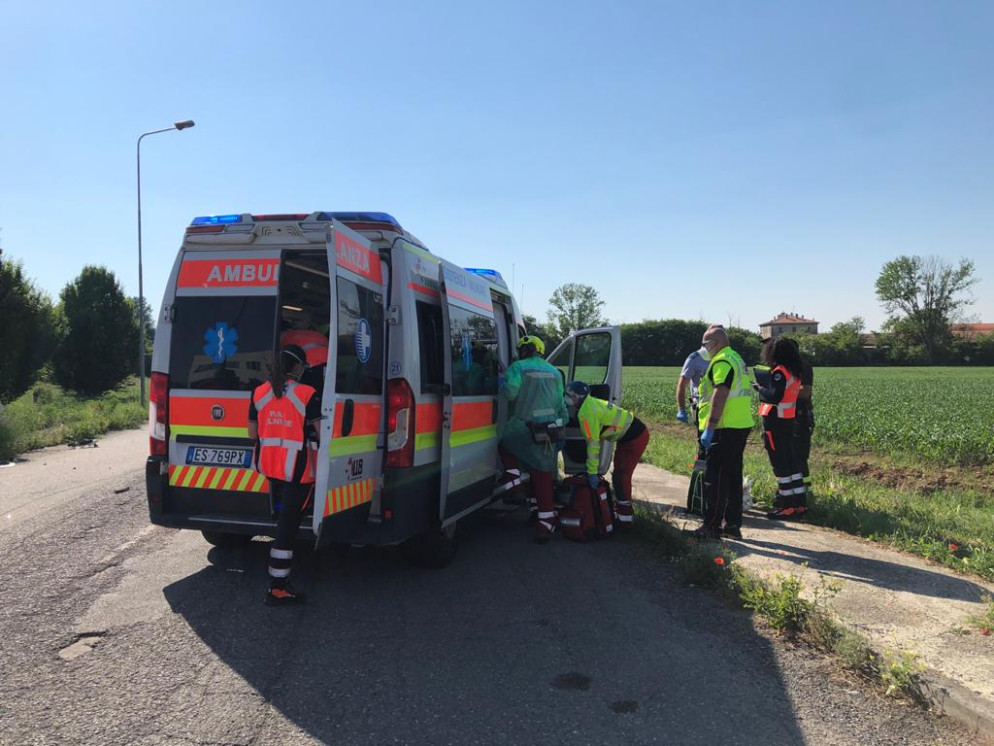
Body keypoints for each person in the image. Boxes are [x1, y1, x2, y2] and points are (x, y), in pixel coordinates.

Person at [249, 345, 322, 605]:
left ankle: (278, 583)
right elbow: (321, 433)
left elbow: (252, 433)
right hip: (297, 471)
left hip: (271, 467)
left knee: (284, 521)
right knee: (286, 528)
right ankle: (277, 587)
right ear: (298, 367)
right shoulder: (306, 393)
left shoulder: (259, 392)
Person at [499, 335, 568, 543]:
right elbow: (561, 405)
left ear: (522, 351)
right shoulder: (555, 372)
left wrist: (501, 382)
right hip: (548, 430)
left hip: (523, 427)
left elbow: (510, 394)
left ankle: (514, 485)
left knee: (505, 445)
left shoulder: (518, 367)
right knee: (542, 474)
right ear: (540, 351)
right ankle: (545, 524)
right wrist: (559, 424)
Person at [693, 325, 754, 540]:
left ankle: (711, 527)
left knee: (716, 479)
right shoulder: (735, 358)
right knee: (733, 478)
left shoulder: (722, 361)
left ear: (716, 343)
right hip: (738, 425)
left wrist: (710, 428)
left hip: (723, 427)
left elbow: (720, 394)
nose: (703, 348)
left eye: (705, 343)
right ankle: (732, 526)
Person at [564, 381, 650, 527]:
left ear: (578, 397)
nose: (566, 398)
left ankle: (625, 519)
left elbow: (593, 444)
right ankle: (619, 512)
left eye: (569, 395)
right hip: (627, 437)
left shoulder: (587, 413)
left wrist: (592, 472)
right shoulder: (589, 403)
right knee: (618, 475)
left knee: (621, 477)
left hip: (635, 438)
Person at [753, 338, 807, 519]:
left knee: (779, 464)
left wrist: (760, 388)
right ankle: (799, 504)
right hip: (788, 420)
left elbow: (774, 396)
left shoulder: (779, 372)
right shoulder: (794, 372)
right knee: (791, 462)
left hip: (775, 421)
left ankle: (786, 505)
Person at [786, 337, 815, 504]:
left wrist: (783, 391)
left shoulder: (803, 367)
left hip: (800, 418)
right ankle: (791, 491)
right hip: (786, 418)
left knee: (800, 457)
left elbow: (805, 392)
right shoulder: (783, 368)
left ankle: (804, 493)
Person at [279, 312, 329, 391]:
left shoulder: (282, 339)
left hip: (313, 367)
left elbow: (284, 361)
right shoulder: (306, 333)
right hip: (329, 365)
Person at [675, 347, 710, 425]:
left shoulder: (724, 356)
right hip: (700, 404)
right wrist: (681, 409)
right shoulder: (694, 358)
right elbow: (682, 384)